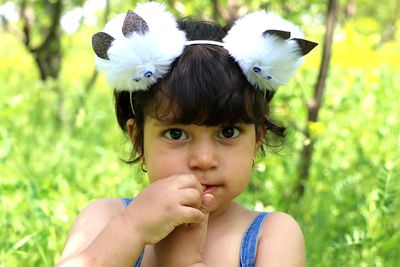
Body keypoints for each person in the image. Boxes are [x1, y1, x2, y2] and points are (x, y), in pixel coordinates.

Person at [57, 2, 317, 266]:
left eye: (228, 132)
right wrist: (132, 229)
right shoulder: (104, 219)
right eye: (176, 134)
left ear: (257, 138)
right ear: (138, 140)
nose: (203, 159)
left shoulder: (272, 237)